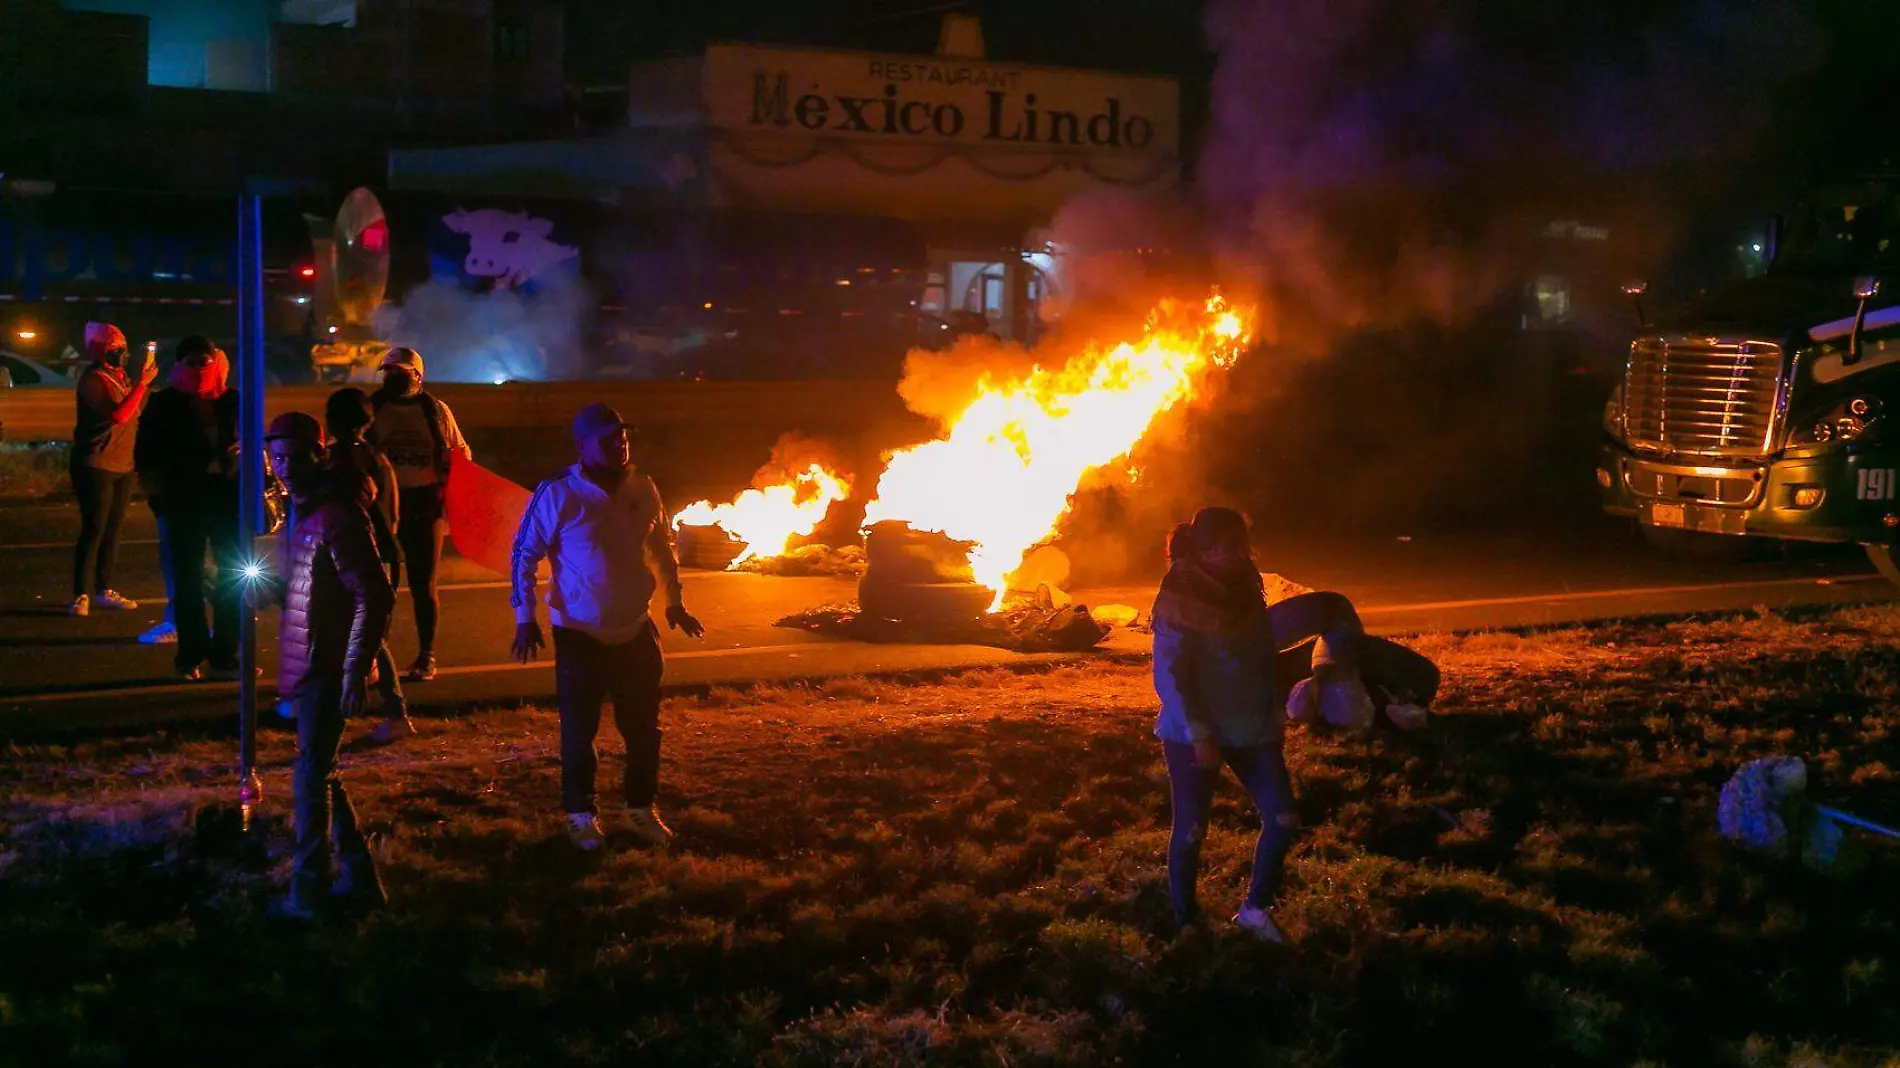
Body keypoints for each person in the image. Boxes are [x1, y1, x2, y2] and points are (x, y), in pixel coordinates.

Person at [1150, 506, 1384, 944]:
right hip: (1194, 735)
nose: (1241, 555)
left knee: (1283, 818)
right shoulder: (1179, 595)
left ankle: (1255, 910)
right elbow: (1170, 674)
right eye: (1230, 548)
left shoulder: (1245, 584)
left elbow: (1259, 654)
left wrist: (1274, 705)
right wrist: (1198, 731)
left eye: (1243, 545)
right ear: (1206, 550)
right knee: (1192, 829)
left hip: (1252, 727)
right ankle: (1185, 919)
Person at [510, 403, 704, 851]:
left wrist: (674, 602)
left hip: (636, 627)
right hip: (579, 632)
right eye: (608, 438)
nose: (620, 444)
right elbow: (524, 553)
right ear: (583, 446)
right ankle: (580, 814)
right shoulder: (558, 492)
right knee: (580, 732)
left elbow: (660, 546)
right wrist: (526, 619)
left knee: (643, 730)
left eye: (623, 436)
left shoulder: (643, 485)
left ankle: (640, 809)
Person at [259, 411, 395, 920]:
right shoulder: (296, 512)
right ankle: (363, 880)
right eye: (277, 458)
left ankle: (309, 893)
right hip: (306, 662)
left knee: (310, 778)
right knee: (323, 774)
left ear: (320, 454)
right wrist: (262, 591)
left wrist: (356, 670)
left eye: (296, 456)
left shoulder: (337, 516)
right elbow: (305, 590)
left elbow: (374, 595)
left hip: (329, 667)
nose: (286, 466)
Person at [134, 336, 241, 680]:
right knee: (187, 581)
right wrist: (160, 500)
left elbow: (256, 442)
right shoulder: (164, 404)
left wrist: (242, 455)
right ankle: (190, 655)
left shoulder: (232, 401)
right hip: (184, 501)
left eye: (204, 362)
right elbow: (146, 456)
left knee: (233, 578)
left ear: (216, 362)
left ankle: (225, 655)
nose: (198, 369)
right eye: (190, 363)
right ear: (179, 365)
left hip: (227, 498)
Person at [367, 346, 470, 683]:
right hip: (380, 508)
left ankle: (426, 655)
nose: (393, 377)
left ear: (418, 375)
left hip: (425, 505)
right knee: (379, 586)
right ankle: (372, 653)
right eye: (388, 371)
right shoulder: (373, 408)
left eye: (400, 371)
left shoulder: (436, 411)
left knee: (423, 584)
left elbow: (461, 453)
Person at [325, 386, 413, 741]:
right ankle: (391, 711)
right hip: (384, 553)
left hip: (355, 558)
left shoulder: (335, 462)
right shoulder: (378, 459)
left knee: (364, 634)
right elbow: (392, 512)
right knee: (370, 633)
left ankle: (394, 712)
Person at [69, 322, 155, 617]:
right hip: (96, 463)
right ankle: (81, 593)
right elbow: (119, 415)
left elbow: (136, 414)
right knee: (94, 528)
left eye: (123, 348)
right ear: (99, 351)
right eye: (114, 349)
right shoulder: (92, 380)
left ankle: (104, 589)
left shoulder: (123, 378)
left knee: (114, 529)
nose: (122, 353)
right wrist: (142, 384)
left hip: (123, 464)